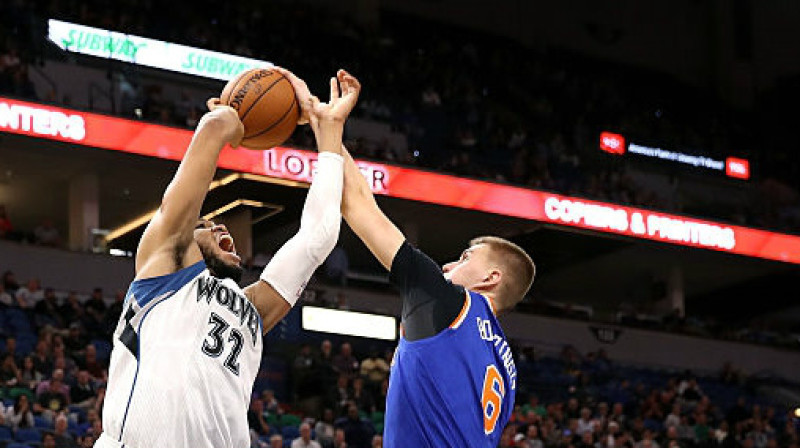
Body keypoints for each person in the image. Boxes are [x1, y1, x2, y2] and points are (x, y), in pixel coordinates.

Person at [94, 68, 360, 448]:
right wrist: (230, 115)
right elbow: (211, 134)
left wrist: (327, 129)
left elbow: (319, 236)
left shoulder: (252, 308)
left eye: (224, 227)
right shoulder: (163, 266)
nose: (223, 229)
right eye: (208, 226)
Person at [282, 67, 536, 447]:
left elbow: (358, 207)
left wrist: (325, 124)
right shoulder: (507, 368)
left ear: (491, 278)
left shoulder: (450, 305)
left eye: (466, 257)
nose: (450, 264)